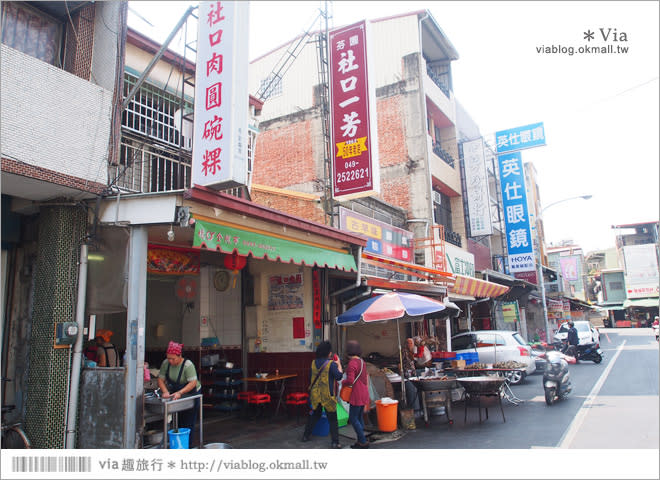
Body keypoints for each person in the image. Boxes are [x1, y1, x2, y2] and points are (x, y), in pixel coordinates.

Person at [157, 341, 201, 444]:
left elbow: (193, 383)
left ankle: (187, 445)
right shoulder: (165, 363)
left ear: (179, 356)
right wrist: (165, 391)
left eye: (173, 358)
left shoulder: (188, 365)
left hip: (191, 393)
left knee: (188, 421)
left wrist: (180, 392)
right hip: (176, 392)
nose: (170, 361)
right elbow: (160, 379)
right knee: (178, 421)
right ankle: (177, 443)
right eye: (168, 358)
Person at [301, 340, 343, 448]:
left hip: (315, 394)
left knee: (314, 415)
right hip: (327, 395)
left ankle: (306, 435)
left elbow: (310, 377)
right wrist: (339, 364)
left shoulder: (313, 363)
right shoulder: (331, 364)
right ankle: (335, 442)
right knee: (332, 419)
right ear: (328, 353)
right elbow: (339, 376)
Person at [342, 340, 370, 449]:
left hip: (356, 394)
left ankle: (362, 441)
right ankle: (360, 440)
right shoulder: (362, 361)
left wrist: (342, 382)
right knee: (359, 417)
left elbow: (350, 381)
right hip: (364, 392)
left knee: (353, 418)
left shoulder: (352, 363)